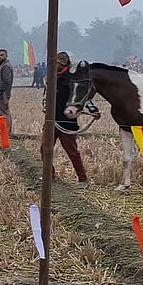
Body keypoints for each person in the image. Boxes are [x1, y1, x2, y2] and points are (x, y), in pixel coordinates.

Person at [43, 51, 89, 188]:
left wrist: (87, 109)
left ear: (64, 64)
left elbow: (80, 97)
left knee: (72, 152)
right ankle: (49, 175)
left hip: (66, 121)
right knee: (44, 149)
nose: (56, 65)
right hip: (51, 119)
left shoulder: (71, 80)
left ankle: (83, 179)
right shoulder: (51, 78)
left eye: (58, 63)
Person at [0, 49, 14, 130]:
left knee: (4, 113)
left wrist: (0, 91)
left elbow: (6, 80)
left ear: (6, 56)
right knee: (5, 112)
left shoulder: (5, 66)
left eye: (2, 55)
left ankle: (7, 132)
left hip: (3, 94)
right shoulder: (3, 65)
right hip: (3, 93)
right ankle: (7, 131)